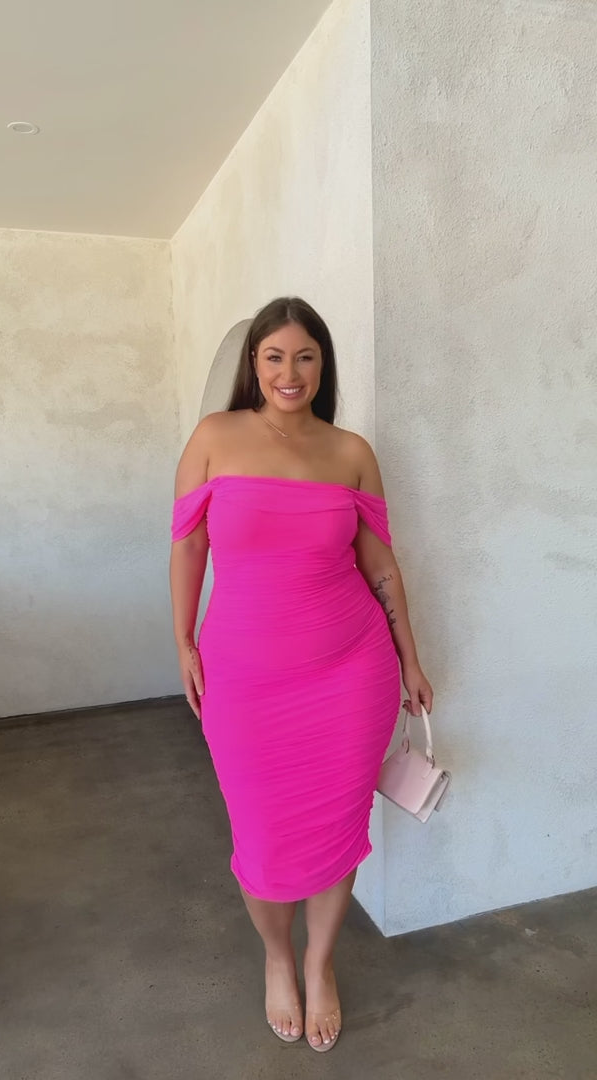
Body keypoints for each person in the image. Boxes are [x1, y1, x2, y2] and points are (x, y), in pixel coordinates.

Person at [169, 297, 433, 1052]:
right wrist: (183, 640)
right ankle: (277, 958)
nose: (291, 372)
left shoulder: (350, 451)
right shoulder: (215, 437)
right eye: (275, 356)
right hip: (244, 680)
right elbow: (188, 545)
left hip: (352, 674)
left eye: (306, 356)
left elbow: (380, 565)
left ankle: (319, 964)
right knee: (261, 836)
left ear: (324, 364)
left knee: (338, 829)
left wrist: (410, 657)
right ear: (254, 363)